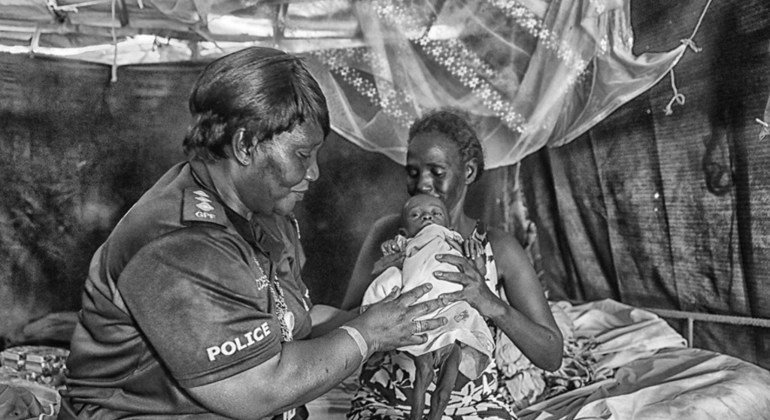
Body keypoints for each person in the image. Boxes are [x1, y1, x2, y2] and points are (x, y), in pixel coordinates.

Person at [59, 47, 448, 420]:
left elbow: (295, 323)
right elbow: (257, 388)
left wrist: (383, 315)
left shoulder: (262, 215)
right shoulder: (181, 243)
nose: (314, 173)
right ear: (245, 144)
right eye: (301, 155)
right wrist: (370, 333)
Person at [343, 109, 564, 419]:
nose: (422, 184)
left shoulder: (498, 247)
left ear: (469, 172)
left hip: (476, 406)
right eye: (413, 171)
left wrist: (490, 303)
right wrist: (379, 301)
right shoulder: (389, 234)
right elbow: (343, 327)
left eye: (436, 170)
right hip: (386, 404)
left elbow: (552, 354)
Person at [361, 193, 494, 420]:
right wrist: (391, 247)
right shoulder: (407, 244)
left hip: (452, 308)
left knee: (449, 367)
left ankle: (435, 413)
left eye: (436, 213)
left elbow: (479, 275)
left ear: (448, 224)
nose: (427, 217)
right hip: (421, 307)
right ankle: (416, 413)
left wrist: (474, 250)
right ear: (404, 231)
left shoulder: (455, 239)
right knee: (423, 368)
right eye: (416, 215)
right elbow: (390, 258)